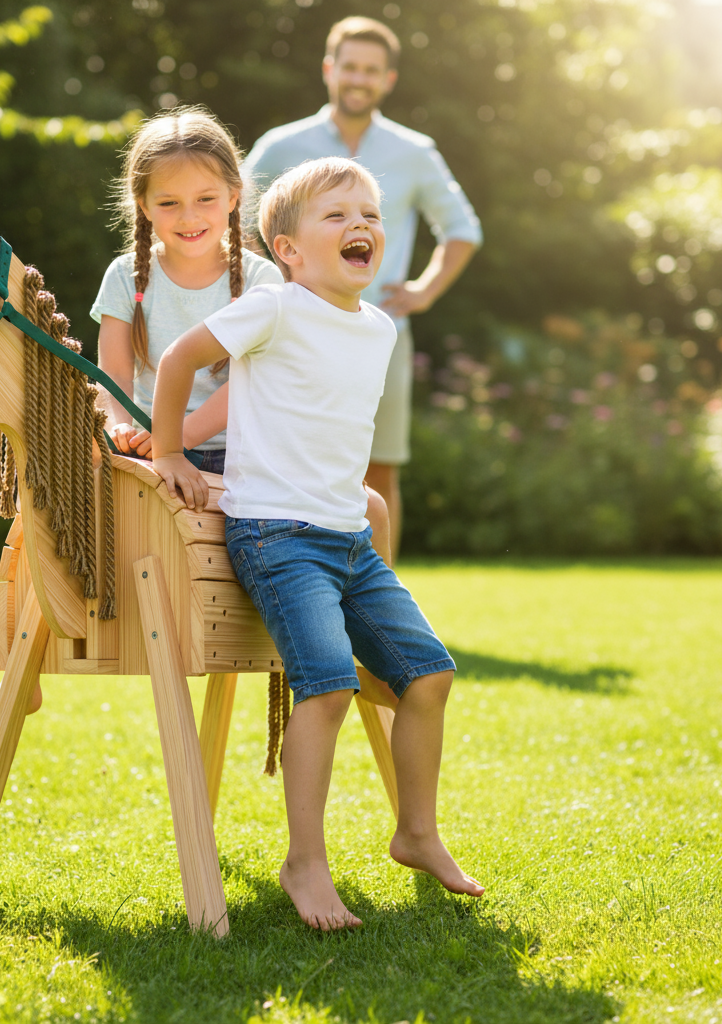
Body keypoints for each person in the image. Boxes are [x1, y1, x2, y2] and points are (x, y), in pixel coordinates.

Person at [0, 108, 392, 733]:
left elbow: (251, 385)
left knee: (372, 508)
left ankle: (371, 649)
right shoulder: (127, 277)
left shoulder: (261, 279)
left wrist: (179, 439)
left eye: (205, 199)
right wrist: (119, 427)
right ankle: (19, 677)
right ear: (142, 206)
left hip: (236, 452)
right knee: (48, 507)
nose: (189, 215)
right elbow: (109, 375)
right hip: (142, 444)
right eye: (168, 202)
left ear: (234, 198)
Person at [150, 157, 484, 931]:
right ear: (289, 250)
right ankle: (304, 862)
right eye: (336, 215)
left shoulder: (378, 328)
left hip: (349, 538)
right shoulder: (274, 307)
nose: (359, 225)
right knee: (327, 688)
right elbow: (179, 359)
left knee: (429, 676)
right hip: (276, 537)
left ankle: (417, 834)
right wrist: (169, 451)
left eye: (369, 214)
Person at [244, 16, 483, 558]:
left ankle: (376, 596)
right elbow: (234, 219)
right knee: (285, 462)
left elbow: (463, 231)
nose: (359, 78)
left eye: (371, 70)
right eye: (349, 66)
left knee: (378, 471)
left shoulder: (414, 151)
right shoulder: (282, 146)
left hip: (382, 334)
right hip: (290, 334)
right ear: (329, 69)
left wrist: (423, 291)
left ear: (388, 79)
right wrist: (269, 283)